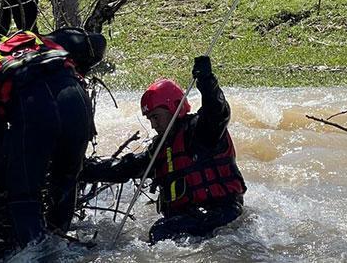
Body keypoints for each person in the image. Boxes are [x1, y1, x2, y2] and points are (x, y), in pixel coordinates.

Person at [81, 56, 246, 243]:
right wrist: (84, 169)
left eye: (156, 117)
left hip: (223, 213)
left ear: (174, 108)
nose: (153, 125)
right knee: (163, 230)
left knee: (161, 231)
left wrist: (207, 81)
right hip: (192, 219)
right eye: (150, 119)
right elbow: (125, 168)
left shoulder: (201, 131)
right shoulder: (160, 148)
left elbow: (217, 111)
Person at [0, 28, 106, 247]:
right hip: (76, 101)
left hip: (34, 108)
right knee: (66, 179)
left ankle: (35, 251)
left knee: (24, 193)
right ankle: (61, 242)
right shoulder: (46, 43)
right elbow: (96, 41)